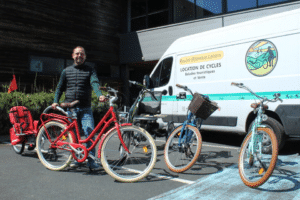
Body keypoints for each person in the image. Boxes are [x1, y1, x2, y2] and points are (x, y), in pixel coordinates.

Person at [52, 46, 106, 169]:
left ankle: (91, 161)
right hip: (70, 108)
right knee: (73, 135)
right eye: (77, 54)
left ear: (85, 57)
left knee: (89, 132)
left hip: (85, 107)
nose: (79, 56)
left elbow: (94, 83)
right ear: (73, 55)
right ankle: (77, 158)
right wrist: (55, 101)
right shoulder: (66, 71)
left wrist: (99, 95)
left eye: (82, 54)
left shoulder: (90, 70)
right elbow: (59, 88)